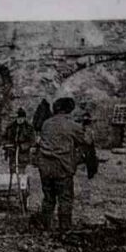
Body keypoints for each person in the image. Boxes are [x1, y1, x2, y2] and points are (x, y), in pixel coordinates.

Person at [36, 97, 94, 232]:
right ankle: (64, 229)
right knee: (65, 199)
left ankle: (46, 227)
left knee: (48, 198)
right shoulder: (72, 125)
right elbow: (87, 141)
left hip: (45, 167)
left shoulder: (46, 123)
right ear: (69, 110)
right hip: (62, 168)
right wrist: (88, 128)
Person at [2, 107, 36, 174]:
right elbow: (4, 137)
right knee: (12, 170)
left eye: (22, 118)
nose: (20, 120)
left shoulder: (29, 127)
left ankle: (22, 182)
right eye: (18, 118)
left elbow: (32, 141)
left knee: (21, 171)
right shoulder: (10, 127)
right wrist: (6, 144)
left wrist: (23, 146)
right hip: (12, 152)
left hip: (23, 154)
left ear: (24, 118)